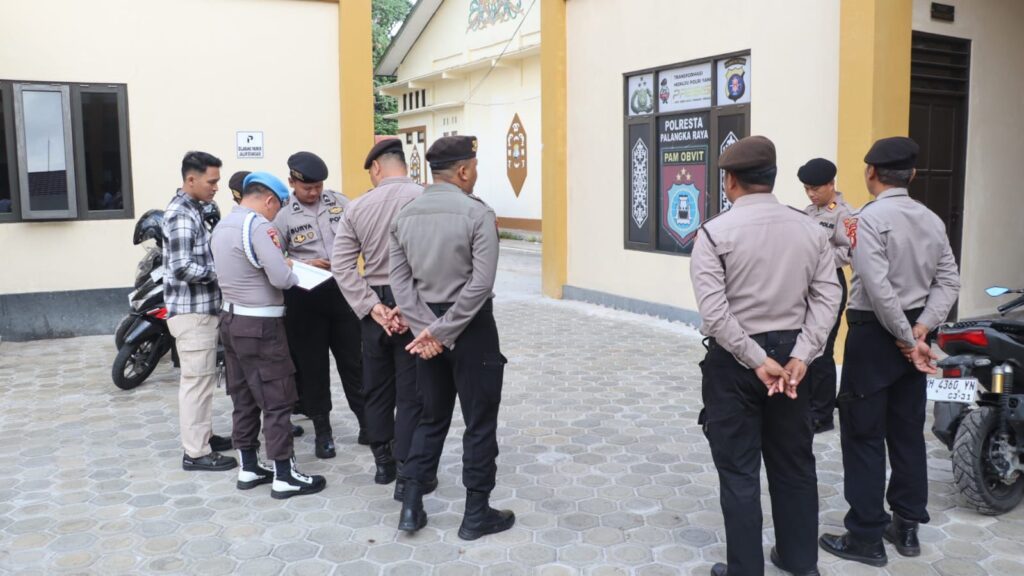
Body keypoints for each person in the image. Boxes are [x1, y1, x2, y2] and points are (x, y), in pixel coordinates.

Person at [691, 136, 841, 576]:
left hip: (737, 364)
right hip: (793, 365)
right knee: (794, 464)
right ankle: (800, 562)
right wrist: (803, 355)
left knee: (739, 471)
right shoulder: (810, 229)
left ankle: (746, 569)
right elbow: (828, 297)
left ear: (730, 181)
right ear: (772, 178)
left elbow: (714, 313)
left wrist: (757, 359)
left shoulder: (714, 233)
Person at [820, 137, 960, 567]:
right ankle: (907, 525)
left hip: (876, 335)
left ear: (870, 173)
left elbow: (877, 287)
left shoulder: (865, 219)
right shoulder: (931, 219)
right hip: (912, 335)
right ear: (912, 174)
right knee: (906, 430)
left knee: (863, 434)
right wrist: (921, 329)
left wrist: (905, 335)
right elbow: (949, 281)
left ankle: (865, 535)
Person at [392, 135, 515, 540]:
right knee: (479, 421)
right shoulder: (478, 213)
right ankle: (476, 514)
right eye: (474, 167)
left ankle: (411, 505)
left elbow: (400, 283)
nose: (475, 174)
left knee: (430, 417)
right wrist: (443, 332)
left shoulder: (405, 216)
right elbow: (481, 284)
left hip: (425, 329)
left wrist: (424, 329)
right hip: (471, 328)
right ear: (463, 170)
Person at [210, 171, 327, 499]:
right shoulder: (259, 226)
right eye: (278, 206)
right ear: (270, 200)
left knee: (244, 397)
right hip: (261, 325)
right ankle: (284, 475)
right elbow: (280, 278)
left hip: (231, 320)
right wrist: (292, 272)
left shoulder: (224, 225)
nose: (277, 214)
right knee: (278, 398)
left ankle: (249, 466)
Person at [332, 139, 431, 500]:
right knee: (411, 390)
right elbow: (435, 258)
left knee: (376, 386)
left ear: (376, 167)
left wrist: (372, 306)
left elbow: (341, 265)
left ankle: (382, 462)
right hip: (414, 301)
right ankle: (407, 468)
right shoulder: (425, 199)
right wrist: (408, 304)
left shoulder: (357, 207)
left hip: (373, 303)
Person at [273, 151, 366, 459]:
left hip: (343, 291)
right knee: (312, 366)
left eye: (318, 186)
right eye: (307, 187)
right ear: (292, 182)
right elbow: (273, 258)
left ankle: (368, 423)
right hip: (305, 297)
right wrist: (305, 263)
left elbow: (363, 234)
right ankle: (323, 432)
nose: (314, 193)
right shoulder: (282, 215)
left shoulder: (340, 202)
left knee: (355, 362)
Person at [162, 151, 235, 472]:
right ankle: (195, 453)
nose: (216, 187)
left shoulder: (195, 209)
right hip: (192, 314)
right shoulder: (181, 214)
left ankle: (204, 437)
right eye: (212, 181)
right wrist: (222, 273)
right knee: (196, 382)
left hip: (202, 310)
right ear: (191, 179)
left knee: (203, 380)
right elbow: (182, 267)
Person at [798, 158, 853, 434]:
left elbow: (851, 250)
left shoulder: (845, 214)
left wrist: (818, 256)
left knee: (822, 349)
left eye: (815, 189)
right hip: (806, 284)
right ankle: (806, 405)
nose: (811, 194)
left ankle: (822, 414)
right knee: (805, 346)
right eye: (807, 189)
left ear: (831, 184)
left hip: (830, 284)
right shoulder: (808, 212)